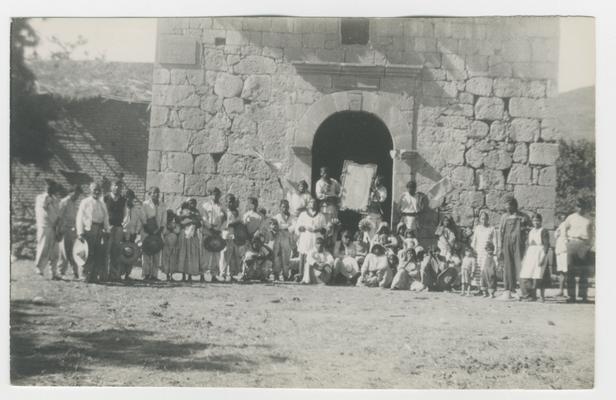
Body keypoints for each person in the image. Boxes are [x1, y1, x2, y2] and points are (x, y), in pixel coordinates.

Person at [76, 182, 111, 283]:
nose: (97, 192)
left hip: (99, 230)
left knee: (97, 253)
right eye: (95, 190)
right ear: (90, 190)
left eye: (98, 190)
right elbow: (80, 217)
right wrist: (80, 232)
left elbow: (106, 218)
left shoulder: (102, 203)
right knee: (86, 253)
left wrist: (107, 230)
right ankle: (84, 275)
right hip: (88, 229)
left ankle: (94, 276)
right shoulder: (85, 202)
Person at [498, 197, 530, 300]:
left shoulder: (523, 216)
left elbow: (530, 229)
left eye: (509, 206)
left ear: (514, 205)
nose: (507, 208)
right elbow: (500, 232)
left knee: (520, 266)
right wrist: (500, 246)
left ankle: (525, 291)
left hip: (519, 244)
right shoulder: (504, 217)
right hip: (507, 243)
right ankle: (509, 290)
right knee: (508, 266)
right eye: (506, 206)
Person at [563, 199, 594, 303]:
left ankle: (583, 296)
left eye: (582, 206)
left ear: (585, 207)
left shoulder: (588, 219)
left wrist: (589, 245)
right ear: (576, 207)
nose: (580, 208)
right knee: (570, 271)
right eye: (578, 206)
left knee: (583, 272)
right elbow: (564, 229)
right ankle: (571, 296)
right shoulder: (571, 218)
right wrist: (566, 241)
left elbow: (592, 233)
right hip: (572, 243)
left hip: (584, 244)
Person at [519, 213, 551, 301]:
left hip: (539, 253)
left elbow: (546, 245)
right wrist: (525, 257)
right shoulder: (531, 231)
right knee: (526, 274)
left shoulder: (543, 231)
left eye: (538, 220)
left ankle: (541, 296)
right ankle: (529, 295)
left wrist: (543, 257)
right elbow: (528, 245)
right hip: (530, 254)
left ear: (541, 221)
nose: (536, 222)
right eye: (534, 221)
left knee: (539, 275)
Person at [295, 197, 328, 282]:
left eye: (314, 202)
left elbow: (325, 229)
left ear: (316, 205)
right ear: (308, 204)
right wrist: (305, 228)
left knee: (314, 255)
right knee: (304, 255)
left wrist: (319, 229)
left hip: (316, 237)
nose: (312, 204)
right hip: (306, 237)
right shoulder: (303, 215)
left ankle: (312, 276)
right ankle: (301, 275)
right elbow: (298, 227)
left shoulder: (321, 216)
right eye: (310, 202)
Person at [34, 180, 62, 279]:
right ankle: (39, 270)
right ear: (45, 188)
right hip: (45, 227)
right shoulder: (41, 198)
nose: (50, 189)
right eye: (48, 187)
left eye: (52, 187)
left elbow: (58, 213)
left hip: (54, 227)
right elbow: (45, 209)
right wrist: (48, 198)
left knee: (55, 251)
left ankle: (54, 272)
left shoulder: (55, 199)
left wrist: (58, 225)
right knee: (43, 248)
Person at [57, 184, 82, 279]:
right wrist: (59, 230)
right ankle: (61, 272)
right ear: (71, 192)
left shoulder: (73, 203)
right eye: (76, 194)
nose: (77, 196)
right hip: (64, 229)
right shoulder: (64, 202)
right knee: (64, 251)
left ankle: (75, 272)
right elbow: (59, 216)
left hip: (72, 230)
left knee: (73, 251)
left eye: (78, 195)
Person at [141, 186, 166, 281]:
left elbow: (164, 218)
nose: (156, 194)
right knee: (147, 252)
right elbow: (143, 217)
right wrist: (148, 229)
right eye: (154, 192)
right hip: (147, 231)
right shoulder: (145, 204)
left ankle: (154, 275)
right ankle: (146, 274)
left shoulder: (162, 205)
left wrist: (160, 230)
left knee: (156, 252)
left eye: (157, 192)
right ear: (149, 194)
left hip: (158, 231)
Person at [104, 180, 126, 281]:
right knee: (106, 250)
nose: (117, 188)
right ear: (111, 187)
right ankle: (104, 274)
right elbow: (103, 212)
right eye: (115, 185)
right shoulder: (106, 198)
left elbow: (125, 214)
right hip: (108, 227)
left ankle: (114, 275)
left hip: (118, 227)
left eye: (119, 186)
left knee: (116, 251)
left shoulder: (123, 200)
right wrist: (106, 226)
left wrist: (122, 226)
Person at [219, 194, 245, 281]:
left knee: (234, 254)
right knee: (225, 253)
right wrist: (232, 224)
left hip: (235, 234)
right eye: (229, 202)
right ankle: (222, 273)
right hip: (227, 233)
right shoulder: (224, 212)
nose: (231, 204)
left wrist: (236, 224)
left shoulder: (237, 212)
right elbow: (225, 224)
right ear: (226, 202)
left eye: (232, 202)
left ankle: (231, 273)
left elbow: (240, 222)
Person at [201, 188, 225, 281]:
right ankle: (202, 274)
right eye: (213, 194)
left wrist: (220, 229)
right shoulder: (205, 206)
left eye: (217, 194)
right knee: (206, 254)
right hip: (208, 231)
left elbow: (225, 219)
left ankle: (214, 275)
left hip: (218, 231)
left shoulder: (222, 207)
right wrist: (210, 228)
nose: (215, 196)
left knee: (216, 254)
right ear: (210, 195)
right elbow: (204, 219)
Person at [177, 199, 204, 282]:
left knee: (192, 255)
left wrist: (194, 220)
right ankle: (183, 274)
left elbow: (199, 223)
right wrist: (187, 218)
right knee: (184, 254)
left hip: (193, 235)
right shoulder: (183, 211)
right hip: (185, 234)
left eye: (194, 203)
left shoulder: (197, 212)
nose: (192, 205)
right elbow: (179, 221)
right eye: (191, 203)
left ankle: (190, 274)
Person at [471, 211, 497, 290]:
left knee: (485, 270)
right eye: (482, 219)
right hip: (478, 251)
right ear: (479, 219)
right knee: (478, 270)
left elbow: (495, 241)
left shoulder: (491, 229)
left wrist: (494, 252)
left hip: (487, 252)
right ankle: (479, 288)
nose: (484, 221)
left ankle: (486, 288)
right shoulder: (477, 228)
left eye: (485, 219)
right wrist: (473, 250)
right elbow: (474, 241)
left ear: (488, 219)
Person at [120, 189, 143, 280]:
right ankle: (119, 272)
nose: (128, 200)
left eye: (130, 198)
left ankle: (127, 273)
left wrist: (136, 231)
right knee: (121, 252)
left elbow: (138, 222)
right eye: (126, 197)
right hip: (123, 232)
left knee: (131, 252)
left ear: (133, 198)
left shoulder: (136, 209)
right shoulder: (122, 208)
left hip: (132, 233)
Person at [272, 200, 295, 281]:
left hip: (288, 239)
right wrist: (286, 226)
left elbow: (293, 227)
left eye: (286, 206)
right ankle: (276, 274)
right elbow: (274, 227)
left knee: (286, 257)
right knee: (277, 256)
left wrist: (283, 227)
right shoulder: (276, 217)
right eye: (283, 206)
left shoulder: (292, 217)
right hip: (278, 238)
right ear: (280, 207)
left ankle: (285, 275)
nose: (285, 208)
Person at [161, 210, 180, 282]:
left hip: (174, 243)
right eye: (169, 216)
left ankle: (171, 275)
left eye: (171, 216)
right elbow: (164, 232)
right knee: (166, 259)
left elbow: (177, 231)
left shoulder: (175, 224)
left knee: (173, 259)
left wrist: (172, 229)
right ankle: (167, 275)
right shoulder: (164, 224)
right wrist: (170, 229)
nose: (170, 217)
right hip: (166, 243)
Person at [554, 212, 569, 297]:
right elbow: (556, 236)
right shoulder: (560, 225)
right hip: (559, 249)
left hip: (565, 249)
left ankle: (569, 291)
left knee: (566, 270)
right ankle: (561, 290)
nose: (563, 217)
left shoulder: (568, 225)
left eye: (564, 215)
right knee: (561, 271)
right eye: (561, 216)